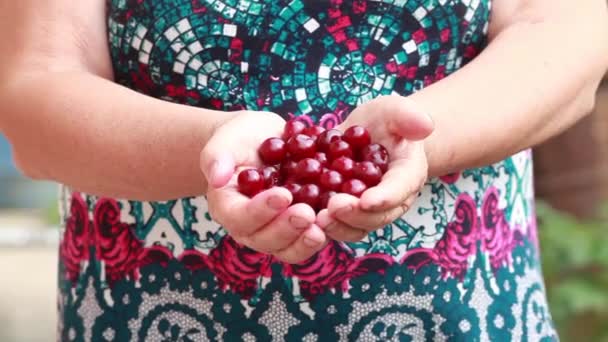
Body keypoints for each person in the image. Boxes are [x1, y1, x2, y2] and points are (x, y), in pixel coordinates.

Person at [1, 0, 606, 340]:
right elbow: (36, 88)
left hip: (463, 314)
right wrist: (210, 148)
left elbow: (565, 35)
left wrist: (426, 135)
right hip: (149, 318)